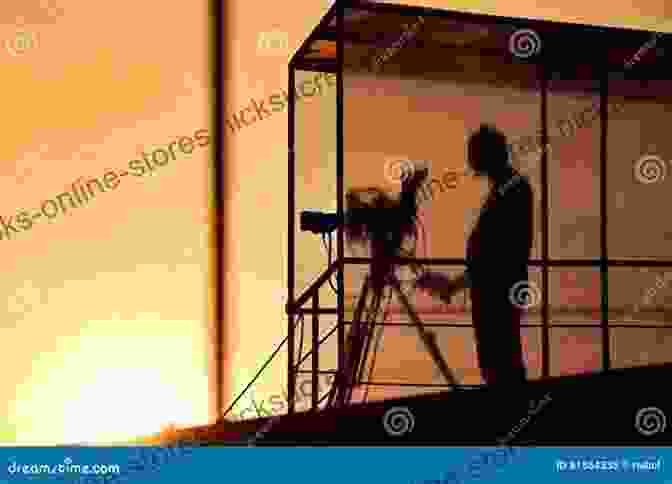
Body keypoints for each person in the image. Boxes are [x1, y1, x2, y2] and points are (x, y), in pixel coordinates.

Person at [416, 124, 533, 386]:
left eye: (473, 154)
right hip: (496, 288)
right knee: (500, 358)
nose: (470, 161)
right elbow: (491, 255)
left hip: (497, 291)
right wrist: (457, 284)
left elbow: (496, 254)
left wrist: (456, 284)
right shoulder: (509, 189)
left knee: (499, 360)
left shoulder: (511, 191)